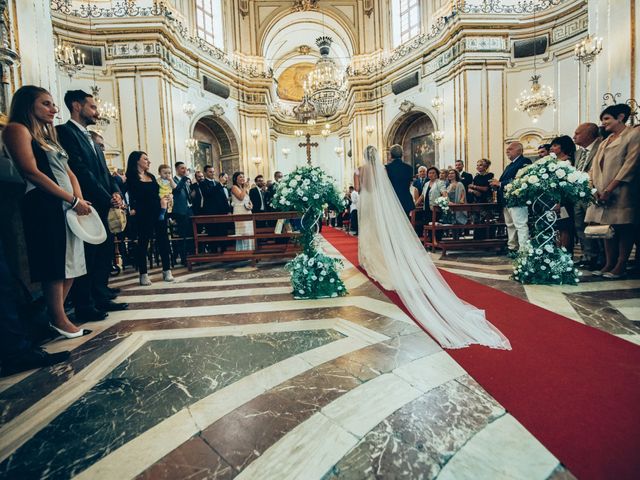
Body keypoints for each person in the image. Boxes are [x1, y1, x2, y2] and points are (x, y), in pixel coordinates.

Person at [354, 145, 510, 350]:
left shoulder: (361, 169)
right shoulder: (384, 170)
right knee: (382, 235)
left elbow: (358, 189)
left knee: (370, 232)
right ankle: (385, 258)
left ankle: (370, 259)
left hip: (369, 204)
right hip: (386, 204)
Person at [3, 85, 92, 338]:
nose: (54, 109)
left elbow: (69, 171)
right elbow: (31, 171)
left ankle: (52, 316)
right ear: (27, 104)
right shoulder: (16, 129)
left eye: (53, 104)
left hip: (68, 203)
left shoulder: (47, 135)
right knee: (54, 263)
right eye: (46, 103)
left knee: (72, 262)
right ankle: (57, 318)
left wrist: (79, 201)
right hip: (44, 203)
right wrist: (72, 200)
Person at [56, 89, 126, 319]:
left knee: (103, 252)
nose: (96, 111)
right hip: (84, 203)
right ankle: (84, 305)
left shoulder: (92, 139)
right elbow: (80, 170)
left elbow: (105, 171)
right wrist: (107, 195)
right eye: (93, 106)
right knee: (87, 254)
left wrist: (115, 193)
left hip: (103, 201)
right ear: (77, 106)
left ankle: (100, 296)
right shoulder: (64, 132)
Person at [585, 104, 640, 279]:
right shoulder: (605, 141)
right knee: (605, 228)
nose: (603, 123)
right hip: (601, 190)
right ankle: (609, 263)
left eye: (607, 118)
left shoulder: (632, 135)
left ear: (621, 117)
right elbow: (594, 166)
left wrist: (611, 187)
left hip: (621, 189)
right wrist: (593, 187)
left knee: (623, 227)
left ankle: (621, 264)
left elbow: (630, 164)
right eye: (602, 119)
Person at [125, 151, 174, 286]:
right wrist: (130, 208)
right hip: (143, 213)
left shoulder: (151, 176)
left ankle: (167, 270)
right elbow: (127, 195)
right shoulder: (130, 177)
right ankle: (143, 274)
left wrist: (166, 197)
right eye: (145, 159)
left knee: (163, 240)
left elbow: (158, 193)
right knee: (143, 242)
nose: (148, 161)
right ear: (137, 161)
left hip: (158, 212)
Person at [490, 142, 532, 254]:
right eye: (507, 150)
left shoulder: (525, 162)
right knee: (510, 225)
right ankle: (512, 247)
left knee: (520, 224)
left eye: (510, 149)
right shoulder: (509, 165)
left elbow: (521, 179)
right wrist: (497, 186)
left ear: (519, 150)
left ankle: (524, 250)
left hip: (517, 200)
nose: (507, 151)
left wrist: (499, 184)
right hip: (507, 200)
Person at [573, 123, 604, 269]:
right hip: (578, 194)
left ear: (589, 134)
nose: (575, 136)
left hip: (594, 192)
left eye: (578, 133)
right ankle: (588, 255)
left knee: (596, 226)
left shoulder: (601, 147)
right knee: (580, 226)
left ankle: (602, 257)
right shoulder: (579, 152)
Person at [550, 135, 577, 252]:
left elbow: (565, 184)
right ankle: (559, 250)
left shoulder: (567, 162)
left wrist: (559, 202)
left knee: (565, 226)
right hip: (554, 198)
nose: (552, 148)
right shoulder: (555, 161)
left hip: (563, 200)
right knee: (558, 227)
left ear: (563, 147)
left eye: (555, 145)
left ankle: (565, 253)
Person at [172, 161, 193, 265]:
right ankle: (184, 258)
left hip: (189, 210)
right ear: (177, 169)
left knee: (191, 234)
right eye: (182, 168)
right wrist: (184, 178)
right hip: (180, 211)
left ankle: (192, 256)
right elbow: (176, 190)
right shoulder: (173, 180)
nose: (185, 170)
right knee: (183, 235)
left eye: (185, 168)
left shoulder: (186, 181)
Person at [385, 144, 414, 216]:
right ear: (402, 155)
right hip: (406, 200)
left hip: (391, 201)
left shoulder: (387, 168)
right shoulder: (409, 168)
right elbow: (409, 184)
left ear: (390, 155)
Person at [230, 171, 254, 251]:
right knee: (243, 232)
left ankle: (249, 250)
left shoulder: (244, 188)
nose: (242, 178)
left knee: (249, 231)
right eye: (240, 177)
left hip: (247, 211)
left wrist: (251, 206)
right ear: (235, 179)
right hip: (239, 211)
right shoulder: (234, 187)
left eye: (243, 177)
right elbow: (241, 197)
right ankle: (242, 251)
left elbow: (249, 200)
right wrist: (245, 188)